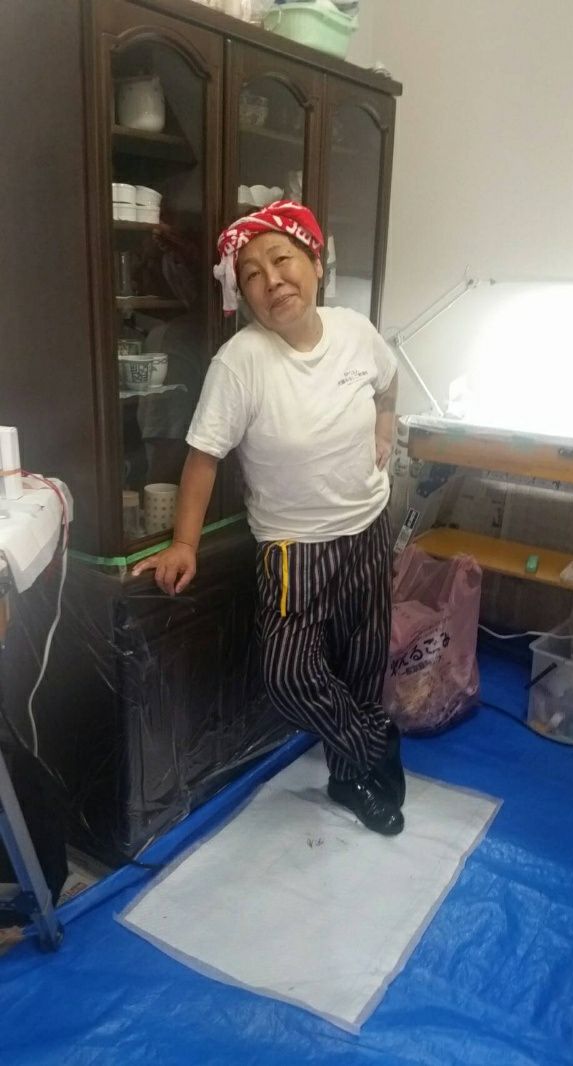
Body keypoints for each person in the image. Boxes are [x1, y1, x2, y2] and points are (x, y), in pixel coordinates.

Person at [133, 200, 405, 836]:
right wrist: (184, 543)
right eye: (251, 274)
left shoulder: (355, 332)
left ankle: (350, 778)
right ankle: (374, 742)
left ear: (316, 264)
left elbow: (388, 383)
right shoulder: (241, 361)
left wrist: (385, 427)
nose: (272, 280)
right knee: (289, 675)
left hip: (367, 527)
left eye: (282, 260)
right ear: (242, 294)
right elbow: (203, 458)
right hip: (292, 547)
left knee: (363, 663)